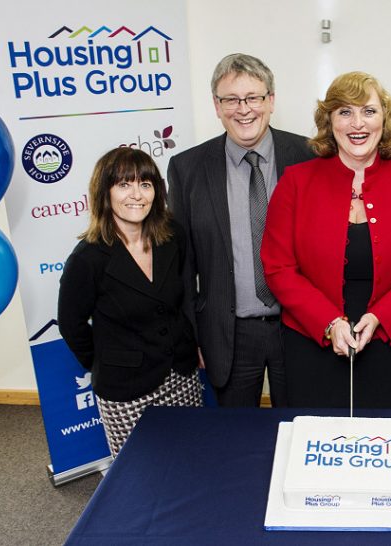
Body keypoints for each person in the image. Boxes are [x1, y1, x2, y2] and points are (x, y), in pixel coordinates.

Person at [261, 71, 391, 408]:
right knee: (317, 444)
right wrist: (328, 322)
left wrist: (381, 317)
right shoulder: (295, 182)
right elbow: (278, 267)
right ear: (329, 121)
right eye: (345, 112)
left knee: (386, 443)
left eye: (369, 111)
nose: (357, 123)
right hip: (311, 339)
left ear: (384, 119)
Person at [167, 53, 314, 407]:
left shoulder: (310, 156)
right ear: (216, 107)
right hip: (228, 332)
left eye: (253, 97)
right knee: (234, 438)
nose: (243, 109)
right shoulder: (187, 169)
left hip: (299, 327)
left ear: (271, 101)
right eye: (230, 99)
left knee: (300, 429)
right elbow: (182, 266)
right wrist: (192, 335)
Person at [58, 147, 203, 457]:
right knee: (139, 474)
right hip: (126, 390)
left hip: (181, 374)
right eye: (124, 184)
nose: (136, 195)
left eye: (145, 184)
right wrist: (108, 361)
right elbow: (71, 325)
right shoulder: (87, 259)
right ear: (104, 192)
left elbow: (181, 297)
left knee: (191, 457)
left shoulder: (173, 236)